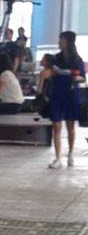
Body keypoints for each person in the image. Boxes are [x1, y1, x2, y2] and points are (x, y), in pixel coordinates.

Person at [46, 30, 84, 168]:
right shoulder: (56, 58)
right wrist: (52, 73)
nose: (59, 42)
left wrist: (77, 77)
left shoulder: (77, 60)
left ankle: (71, 152)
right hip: (57, 94)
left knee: (70, 126)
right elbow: (50, 75)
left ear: (68, 42)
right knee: (56, 125)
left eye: (62, 39)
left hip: (71, 94)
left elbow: (83, 77)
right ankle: (58, 158)